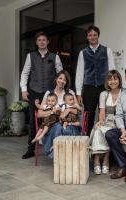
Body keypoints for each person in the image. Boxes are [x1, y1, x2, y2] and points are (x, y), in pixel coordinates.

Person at [20, 31, 63, 159]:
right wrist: (23, 89)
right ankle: (30, 149)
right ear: (36, 42)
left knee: (52, 118)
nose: (42, 42)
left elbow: (61, 74)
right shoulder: (30, 56)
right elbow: (25, 73)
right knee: (34, 120)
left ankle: (53, 146)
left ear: (48, 42)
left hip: (50, 93)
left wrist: (60, 90)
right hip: (34, 91)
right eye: (39, 40)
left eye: (44, 39)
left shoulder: (55, 57)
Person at [75, 25, 115, 135]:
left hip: (104, 87)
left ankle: (104, 138)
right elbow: (79, 73)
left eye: (95, 35)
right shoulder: (82, 53)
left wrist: (113, 89)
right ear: (87, 37)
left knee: (105, 113)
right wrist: (78, 93)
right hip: (89, 87)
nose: (92, 37)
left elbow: (112, 71)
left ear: (98, 36)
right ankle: (88, 138)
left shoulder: (107, 51)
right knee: (89, 114)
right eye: (90, 35)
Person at [38, 70, 81, 158]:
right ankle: (58, 152)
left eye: (64, 80)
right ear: (56, 79)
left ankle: (63, 153)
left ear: (66, 82)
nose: (62, 81)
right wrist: (52, 112)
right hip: (53, 124)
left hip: (68, 122)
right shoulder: (49, 93)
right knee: (58, 126)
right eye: (60, 78)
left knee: (66, 127)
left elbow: (77, 111)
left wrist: (68, 110)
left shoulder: (70, 93)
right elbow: (39, 113)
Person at [89, 70, 123, 175]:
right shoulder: (104, 94)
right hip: (106, 120)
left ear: (119, 80)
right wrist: (100, 122)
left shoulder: (125, 92)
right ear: (107, 82)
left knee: (108, 131)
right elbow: (102, 112)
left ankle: (106, 159)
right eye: (110, 79)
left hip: (119, 121)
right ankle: (97, 159)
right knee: (98, 129)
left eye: (115, 79)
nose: (113, 82)